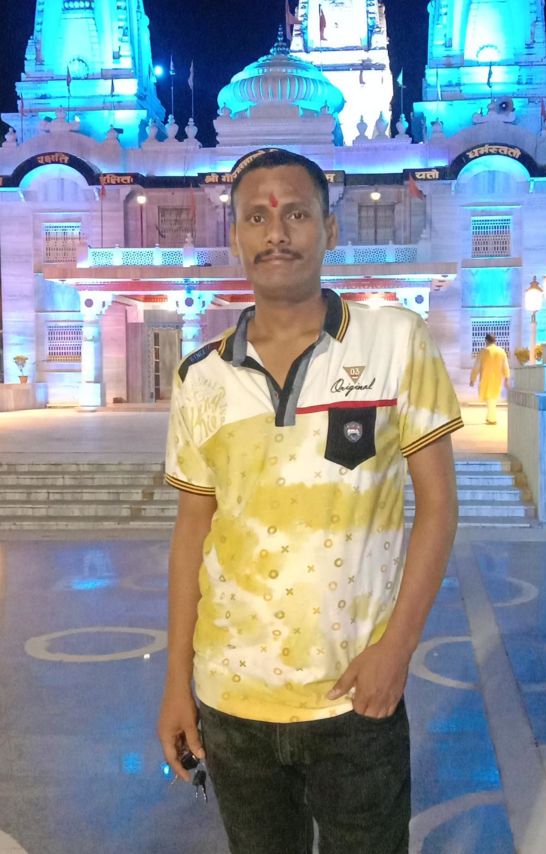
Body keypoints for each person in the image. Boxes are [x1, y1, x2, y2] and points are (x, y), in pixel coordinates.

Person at [157, 147, 463, 853]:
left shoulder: (394, 342)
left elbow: (439, 507)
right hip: (232, 701)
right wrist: (177, 681)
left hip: (354, 694)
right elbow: (191, 535)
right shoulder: (201, 377)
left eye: (295, 214)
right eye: (256, 218)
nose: (276, 233)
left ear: (329, 229)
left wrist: (396, 650)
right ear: (236, 237)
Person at [469, 333, 510, 424]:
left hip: (486, 378)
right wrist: (507, 377)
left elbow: (476, 366)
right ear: (495, 341)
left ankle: (492, 419)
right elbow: (505, 365)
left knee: (490, 397)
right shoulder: (501, 351)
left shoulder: (483, 351)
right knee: (492, 397)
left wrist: (473, 378)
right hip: (497, 378)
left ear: (486, 341)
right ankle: (490, 417)